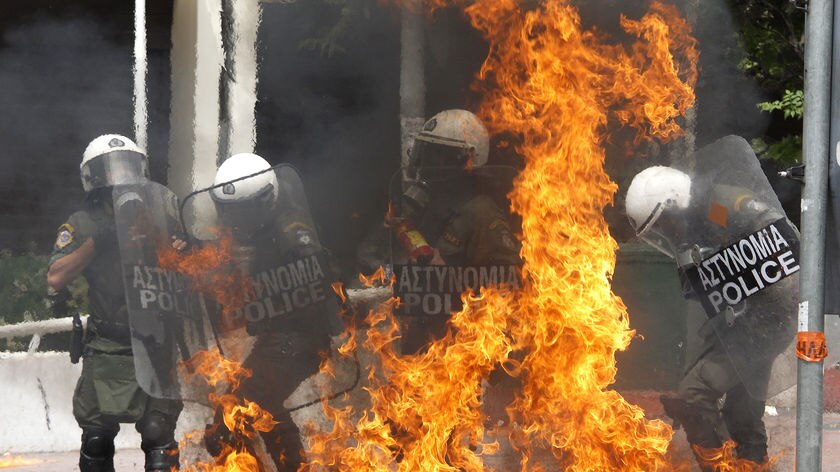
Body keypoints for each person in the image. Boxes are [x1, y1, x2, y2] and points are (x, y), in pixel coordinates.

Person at [625, 156, 798, 468]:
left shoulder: (718, 208)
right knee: (742, 410)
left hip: (767, 318)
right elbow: (703, 313)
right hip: (747, 320)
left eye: (664, 223)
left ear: (676, 201)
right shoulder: (695, 228)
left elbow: (773, 236)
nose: (666, 234)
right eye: (658, 231)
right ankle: (750, 461)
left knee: (694, 395)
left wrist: (748, 280)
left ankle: (720, 465)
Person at [47, 134, 181, 472]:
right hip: (107, 343)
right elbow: (56, 277)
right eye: (110, 169)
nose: (119, 177)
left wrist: (176, 249)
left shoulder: (161, 213)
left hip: (154, 341)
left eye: (127, 167)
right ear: (92, 177)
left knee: (158, 435)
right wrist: (98, 241)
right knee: (96, 438)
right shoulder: (83, 223)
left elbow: (183, 270)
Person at [202, 153, 335, 471]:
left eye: (241, 212)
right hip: (277, 341)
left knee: (229, 421)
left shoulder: (290, 225)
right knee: (266, 409)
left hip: (298, 341)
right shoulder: (260, 234)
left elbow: (314, 268)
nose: (234, 220)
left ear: (264, 201)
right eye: (229, 211)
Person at [388, 109, 521, 353]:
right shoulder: (428, 204)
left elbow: (509, 284)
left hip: (464, 346)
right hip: (425, 336)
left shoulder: (482, 213)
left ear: (468, 160)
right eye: (424, 154)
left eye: (437, 157)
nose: (426, 166)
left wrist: (450, 274)